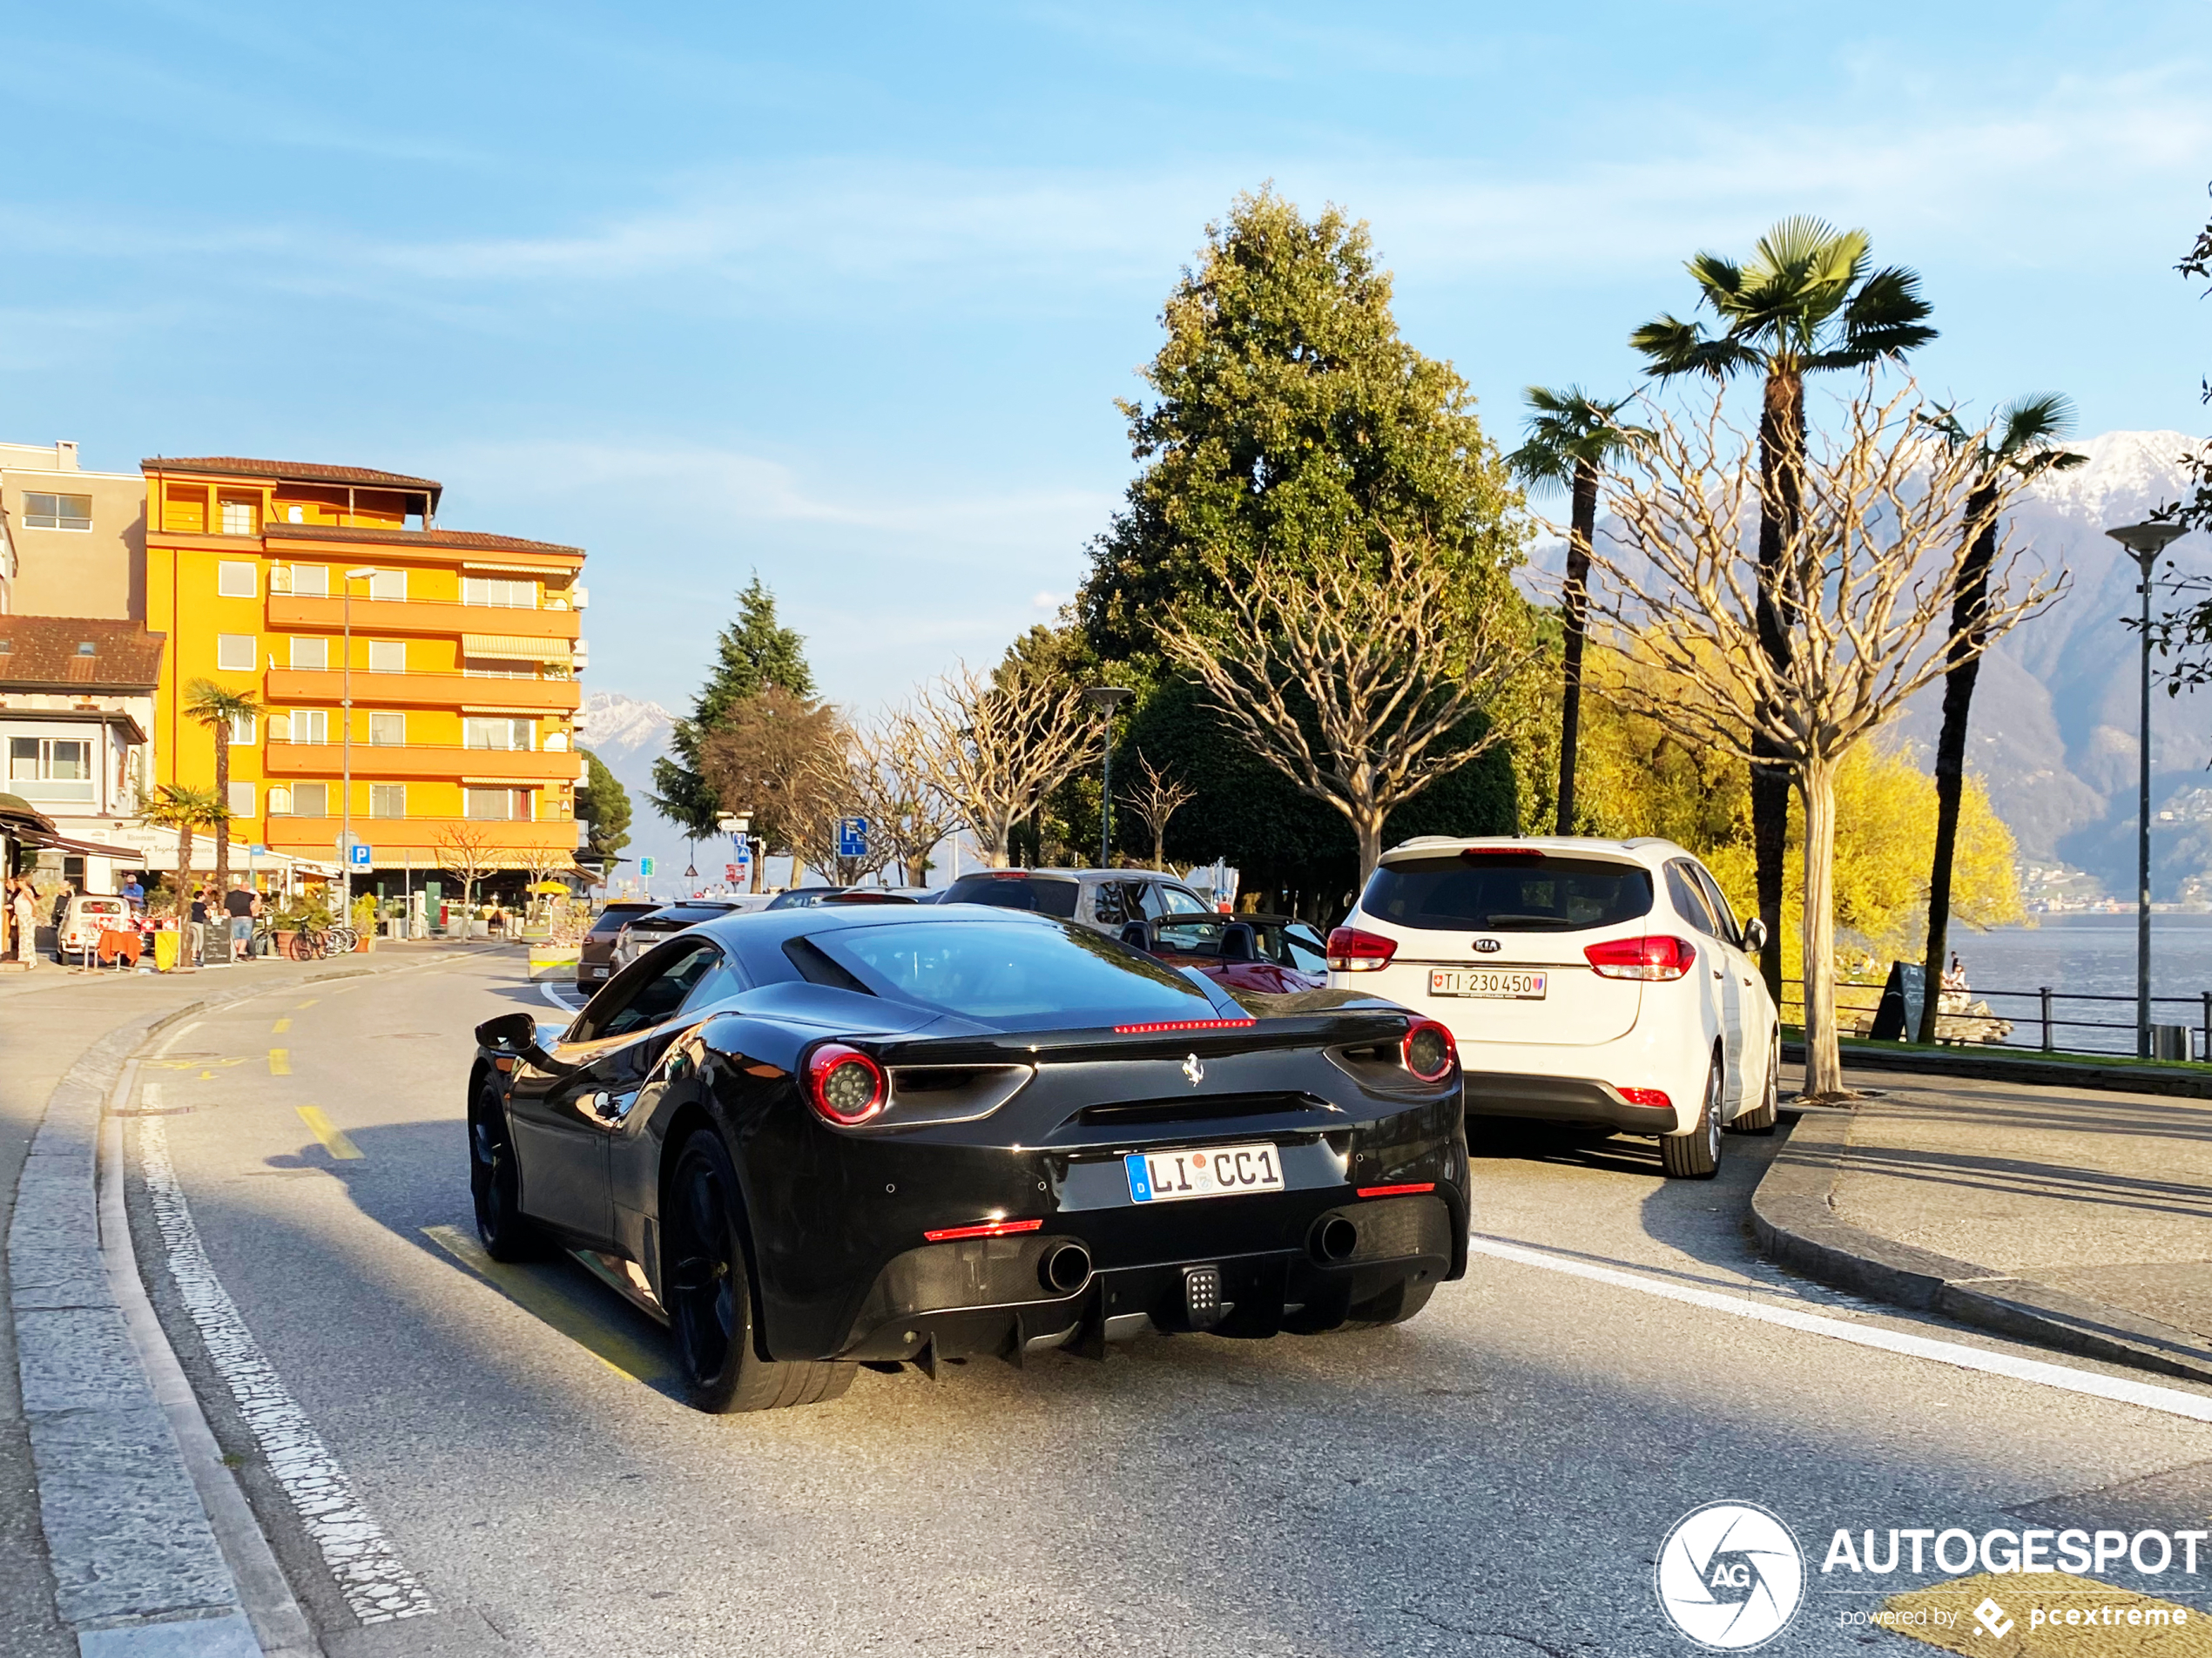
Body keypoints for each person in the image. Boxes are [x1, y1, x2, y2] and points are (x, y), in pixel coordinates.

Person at [224, 880, 256, 960]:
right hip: (246, 916)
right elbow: (258, 898)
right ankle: (241, 953)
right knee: (245, 936)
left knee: (237, 936)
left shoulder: (230, 895)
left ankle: (238, 951)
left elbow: (226, 909)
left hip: (235, 916)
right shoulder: (249, 895)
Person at [10, 879, 37, 970]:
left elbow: (34, 902)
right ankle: (24, 958)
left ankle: (28, 959)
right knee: (23, 938)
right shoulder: (21, 892)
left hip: (26, 917)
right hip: (21, 917)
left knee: (27, 938)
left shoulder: (26, 892)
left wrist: (34, 912)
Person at [187, 886, 208, 968]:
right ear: (200, 897)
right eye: (203, 896)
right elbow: (208, 914)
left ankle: (193, 955)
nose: (204, 897)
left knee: (195, 939)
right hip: (200, 923)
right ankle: (200, 954)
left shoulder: (192, 904)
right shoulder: (202, 905)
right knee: (201, 939)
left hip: (192, 922)